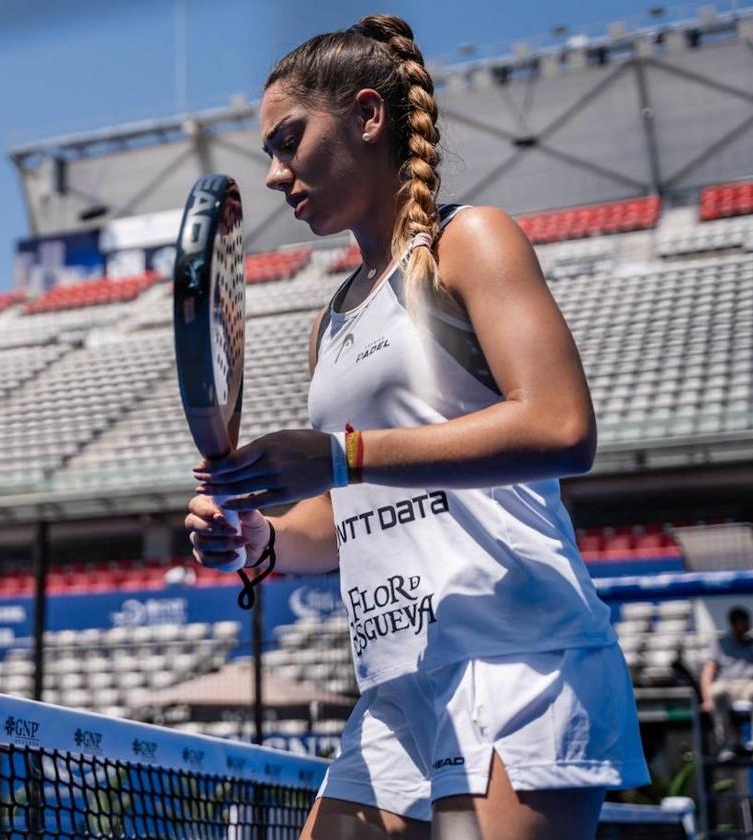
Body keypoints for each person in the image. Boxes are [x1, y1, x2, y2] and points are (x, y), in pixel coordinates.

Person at [184, 15, 648, 839]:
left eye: (289, 141)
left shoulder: (472, 240)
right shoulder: (334, 319)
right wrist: (261, 538)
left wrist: (340, 455)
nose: (272, 173)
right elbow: (346, 520)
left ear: (368, 117)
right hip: (395, 686)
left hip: (519, 660)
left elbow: (562, 425)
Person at [700, 606, 753, 762]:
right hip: (727, 684)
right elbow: (708, 673)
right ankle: (726, 744)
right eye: (742, 622)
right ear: (733, 623)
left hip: (748, 683)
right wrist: (707, 700)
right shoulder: (720, 643)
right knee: (716, 691)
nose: (745, 626)